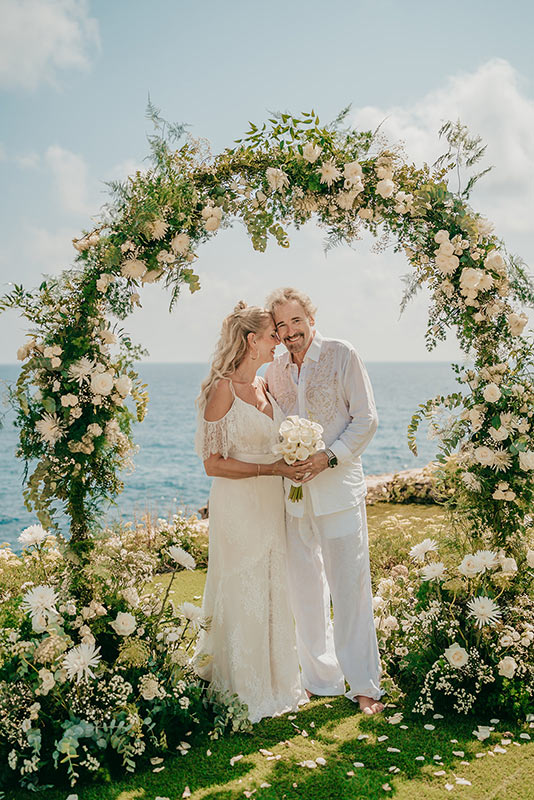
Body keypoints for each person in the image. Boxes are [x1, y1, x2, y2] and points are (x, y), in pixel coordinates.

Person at [265, 287, 384, 715]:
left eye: (296, 321)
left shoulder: (341, 354)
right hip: (295, 496)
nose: (290, 331)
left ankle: (365, 685)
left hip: (337, 490)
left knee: (349, 589)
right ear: (275, 332)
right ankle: (321, 679)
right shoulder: (273, 371)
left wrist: (327, 456)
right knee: (305, 590)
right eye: (281, 325)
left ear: (311, 318)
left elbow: (366, 418)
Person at [193, 301, 308, 723]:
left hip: (270, 502)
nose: (280, 341)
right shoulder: (222, 388)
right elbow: (213, 462)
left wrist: (293, 457)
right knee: (242, 585)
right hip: (238, 504)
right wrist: (273, 467)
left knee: (272, 584)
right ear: (250, 341)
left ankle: (277, 682)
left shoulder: (264, 387)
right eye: (273, 336)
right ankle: (241, 685)